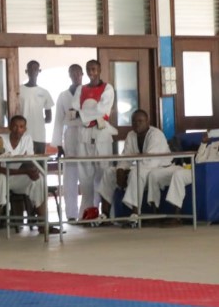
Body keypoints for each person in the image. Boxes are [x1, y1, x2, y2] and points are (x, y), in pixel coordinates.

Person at [0, 115, 48, 231]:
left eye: (21, 127)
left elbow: (30, 162)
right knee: (1, 178)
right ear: (10, 127)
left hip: (9, 178)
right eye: (15, 126)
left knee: (38, 178)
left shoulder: (27, 139)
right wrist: (25, 171)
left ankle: (43, 224)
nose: (18, 130)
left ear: (25, 129)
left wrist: (32, 171)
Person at [97, 110, 171, 221]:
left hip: (159, 169)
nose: (137, 124)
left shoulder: (156, 135)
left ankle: (135, 215)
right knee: (109, 172)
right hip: (142, 168)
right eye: (134, 121)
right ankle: (104, 214)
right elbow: (126, 157)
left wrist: (128, 171)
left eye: (140, 121)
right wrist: (120, 169)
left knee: (136, 173)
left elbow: (151, 162)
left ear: (147, 122)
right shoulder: (131, 135)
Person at [74, 59, 117, 218]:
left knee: (104, 172)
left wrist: (82, 113)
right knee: (84, 173)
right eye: (88, 69)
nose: (91, 72)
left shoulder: (107, 88)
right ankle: (86, 211)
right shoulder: (81, 89)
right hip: (84, 134)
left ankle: (107, 212)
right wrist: (84, 114)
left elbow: (101, 109)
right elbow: (73, 110)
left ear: (99, 70)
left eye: (94, 69)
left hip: (101, 132)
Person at [155, 131, 219, 213]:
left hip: (213, 174)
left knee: (179, 174)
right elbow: (198, 160)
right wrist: (203, 144)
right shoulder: (212, 145)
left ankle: (177, 212)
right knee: (178, 173)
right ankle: (172, 210)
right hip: (200, 171)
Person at [51, 64, 84, 221]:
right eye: (73, 73)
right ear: (69, 75)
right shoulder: (63, 96)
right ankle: (71, 214)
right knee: (70, 177)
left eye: (78, 73)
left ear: (82, 74)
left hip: (85, 134)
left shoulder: (87, 92)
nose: (76, 76)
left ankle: (87, 212)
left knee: (87, 176)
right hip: (69, 136)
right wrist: (58, 145)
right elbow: (58, 120)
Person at [18, 61, 54, 155]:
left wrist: (37, 122)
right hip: (22, 134)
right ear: (26, 71)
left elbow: (49, 118)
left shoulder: (44, 92)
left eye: (35, 69)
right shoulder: (18, 90)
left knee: (39, 161)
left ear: (39, 71)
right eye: (30, 69)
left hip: (39, 135)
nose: (33, 71)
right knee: (23, 161)